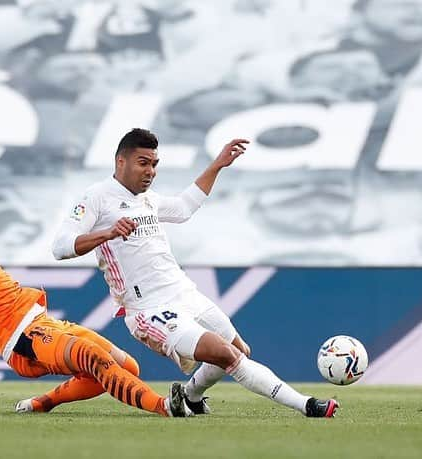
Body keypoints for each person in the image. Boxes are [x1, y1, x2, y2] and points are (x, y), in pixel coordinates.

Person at [43, 128, 338, 418]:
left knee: (239, 350)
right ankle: (307, 405)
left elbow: (184, 208)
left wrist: (217, 165)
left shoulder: (148, 199)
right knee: (225, 355)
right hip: (149, 308)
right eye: (143, 163)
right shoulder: (96, 198)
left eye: (155, 164)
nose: (151, 171)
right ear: (121, 161)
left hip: (184, 292)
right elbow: (60, 247)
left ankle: (191, 396)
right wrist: (106, 233)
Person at [0, 177, 192, 418]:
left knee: (128, 368)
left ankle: (41, 404)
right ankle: (165, 406)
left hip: (43, 322)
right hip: (22, 338)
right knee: (95, 359)